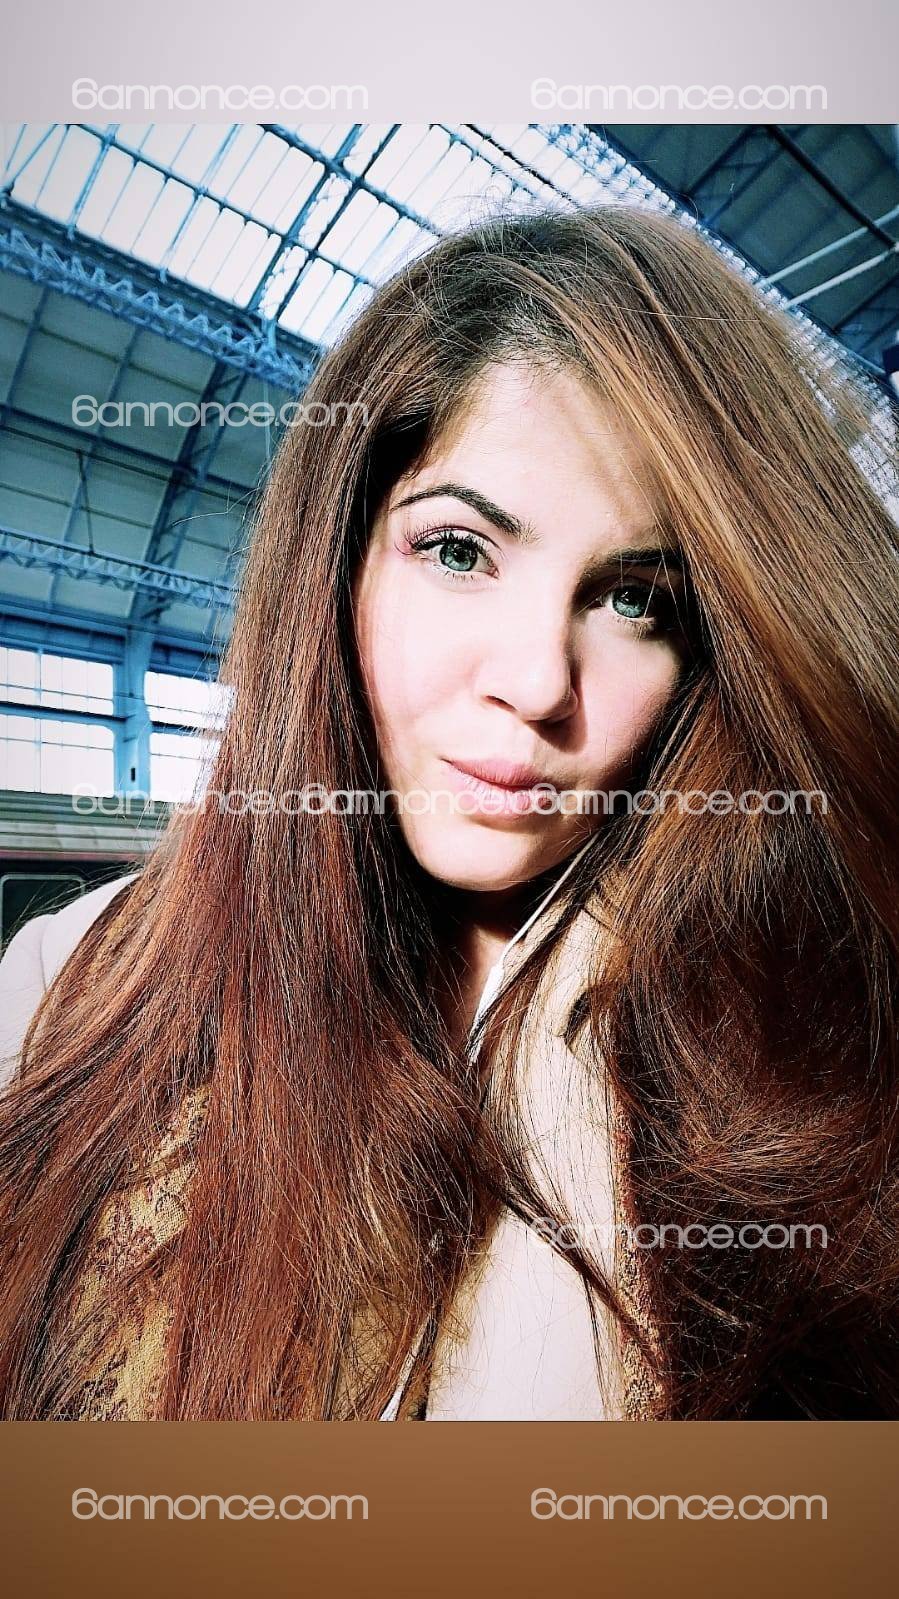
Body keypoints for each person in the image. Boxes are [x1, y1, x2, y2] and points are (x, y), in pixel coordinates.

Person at [0, 202, 896, 1420]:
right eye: (460, 551)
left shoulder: (785, 1041)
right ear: (338, 564)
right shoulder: (70, 983)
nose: (535, 684)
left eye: (635, 599)